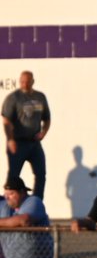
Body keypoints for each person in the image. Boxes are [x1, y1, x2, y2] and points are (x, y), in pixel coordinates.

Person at [2, 71, 51, 199]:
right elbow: (6, 121)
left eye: (27, 81)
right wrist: (10, 139)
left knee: (41, 174)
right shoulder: (14, 97)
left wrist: (43, 133)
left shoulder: (40, 97)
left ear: (32, 81)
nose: (25, 84)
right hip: (18, 142)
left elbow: (47, 118)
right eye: (22, 81)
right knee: (13, 176)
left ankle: (37, 202)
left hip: (34, 143)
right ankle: (8, 204)